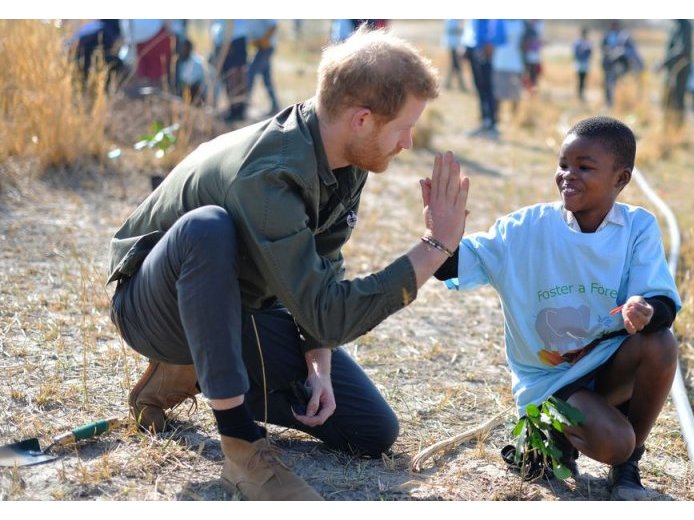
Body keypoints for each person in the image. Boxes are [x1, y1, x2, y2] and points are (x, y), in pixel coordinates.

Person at [108, 27, 469, 501]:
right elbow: (329, 312)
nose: (407, 142)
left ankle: (186, 374)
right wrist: (435, 246)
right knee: (208, 228)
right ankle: (240, 448)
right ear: (362, 119)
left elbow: (323, 263)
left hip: (244, 300)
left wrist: (317, 361)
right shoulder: (271, 173)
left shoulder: (346, 156)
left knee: (370, 431)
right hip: (156, 305)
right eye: (403, 127)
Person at [435, 116, 680, 501]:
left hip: (605, 363)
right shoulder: (524, 229)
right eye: (563, 165)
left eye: (584, 167)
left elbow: (663, 303)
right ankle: (549, 435)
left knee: (661, 344)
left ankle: (628, 465)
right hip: (552, 382)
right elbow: (454, 265)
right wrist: (440, 238)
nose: (568, 175)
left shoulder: (637, 227)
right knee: (615, 440)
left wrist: (645, 309)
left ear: (621, 179)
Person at [658, 19, 694, 131]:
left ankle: (677, 131)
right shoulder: (674, 25)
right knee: (666, 101)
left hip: (680, 70)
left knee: (677, 100)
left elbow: (683, 50)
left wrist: (664, 62)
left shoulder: (685, 25)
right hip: (671, 71)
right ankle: (667, 128)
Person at [600, 21, 641, 108]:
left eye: (615, 24)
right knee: (608, 84)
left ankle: (618, 102)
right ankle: (608, 103)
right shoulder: (606, 35)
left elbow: (627, 50)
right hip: (608, 64)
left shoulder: (622, 36)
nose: (613, 25)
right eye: (612, 23)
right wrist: (608, 51)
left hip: (618, 64)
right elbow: (602, 47)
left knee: (618, 83)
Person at [246, 19, 281, 116]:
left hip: (266, 47)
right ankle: (275, 106)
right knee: (266, 78)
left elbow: (273, 25)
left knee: (250, 73)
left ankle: (244, 104)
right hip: (259, 47)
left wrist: (265, 40)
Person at [442, 19, 467, 91]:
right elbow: (452, 31)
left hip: (456, 44)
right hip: (452, 44)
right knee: (456, 64)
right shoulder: (450, 20)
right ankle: (461, 84)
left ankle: (448, 83)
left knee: (454, 64)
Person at [573, 27, 592, 102]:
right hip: (579, 63)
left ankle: (582, 94)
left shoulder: (588, 42)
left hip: (585, 63)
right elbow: (575, 52)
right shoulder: (578, 42)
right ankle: (579, 94)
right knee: (579, 79)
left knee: (584, 80)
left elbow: (590, 52)